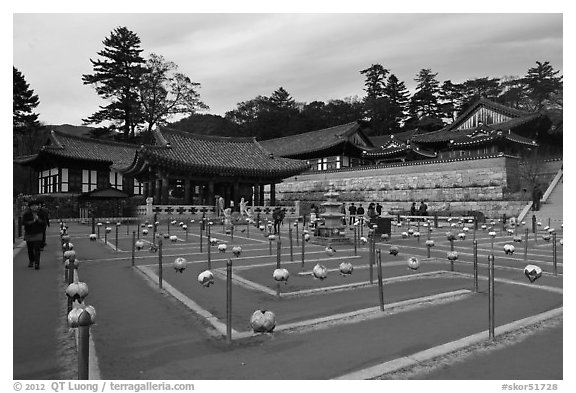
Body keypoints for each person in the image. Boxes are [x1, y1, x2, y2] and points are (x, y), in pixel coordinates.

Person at [22, 199, 46, 269]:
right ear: (30, 207)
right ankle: (31, 260)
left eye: (36, 205)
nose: (34, 207)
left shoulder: (41, 213)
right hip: (29, 233)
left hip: (38, 233)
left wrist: (38, 219)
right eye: (32, 206)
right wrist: (32, 221)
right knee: (30, 249)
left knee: (37, 248)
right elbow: (24, 222)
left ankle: (37, 263)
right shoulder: (26, 214)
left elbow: (44, 223)